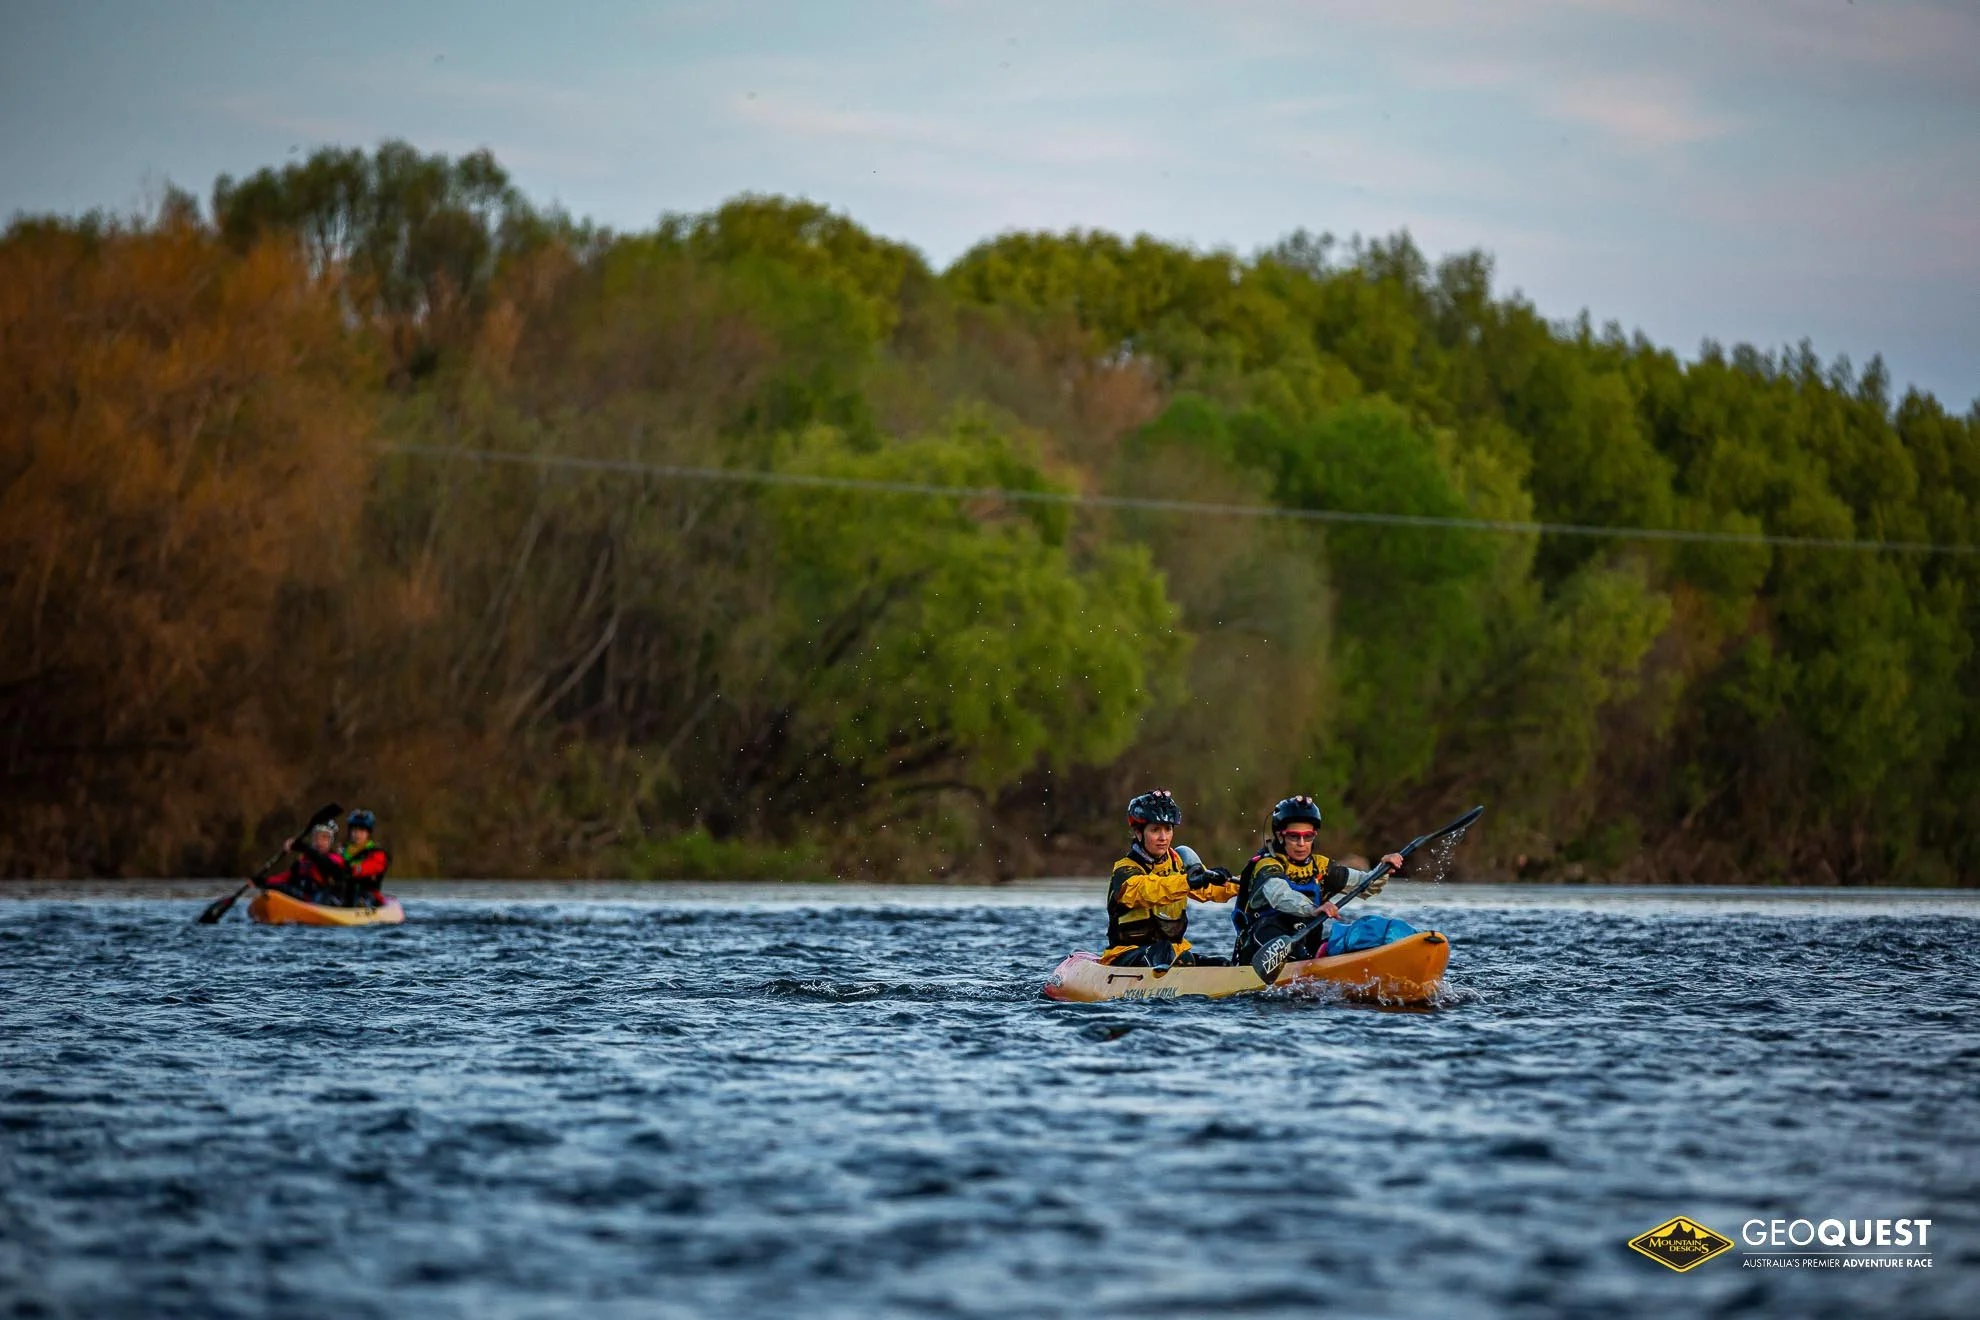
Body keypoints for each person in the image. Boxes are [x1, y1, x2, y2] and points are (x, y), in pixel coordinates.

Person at [1231, 795, 1406, 965]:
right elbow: (1280, 896)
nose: (1301, 843)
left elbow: (1367, 885)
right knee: (1278, 931)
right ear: (1280, 836)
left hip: (1305, 948)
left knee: (1361, 931)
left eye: (1308, 836)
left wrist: (1383, 868)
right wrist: (1312, 909)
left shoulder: (1321, 866)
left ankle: (1319, 960)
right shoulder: (1267, 865)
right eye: (1294, 836)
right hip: (1261, 948)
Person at [1100, 789, 1240, 969]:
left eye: (1168, 829)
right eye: (1155, 830)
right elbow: (1148, 890)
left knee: (1221, 964)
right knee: (1164, 952)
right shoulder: (1125, 869)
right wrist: (1188, 882)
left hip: (1174, 954)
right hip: (1126, 955)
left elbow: (1211, 891)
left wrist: (1246, 882)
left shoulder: (1179, 862)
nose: (1163, 837)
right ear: (1138, 832)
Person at [268, 820, 341, 904]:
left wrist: (302, 847)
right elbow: (286, 877)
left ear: (332, 842)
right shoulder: (304, 860)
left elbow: (325, 864)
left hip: (326, 902)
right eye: (316, 837)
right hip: (304, 900)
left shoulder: (336, 859)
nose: (319, 841)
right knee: (275, 887)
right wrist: (262, 882)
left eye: (324, 837)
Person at [334, 809, 391, 907]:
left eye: (362, 831)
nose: (357, 834)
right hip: (346, 892)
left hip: (367, 892)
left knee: (362, 898)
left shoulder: (376, 852)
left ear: (368, 833)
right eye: (354, 830)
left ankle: (361, 906)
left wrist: (354, 869)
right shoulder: (342, 851)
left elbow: (374, 866)